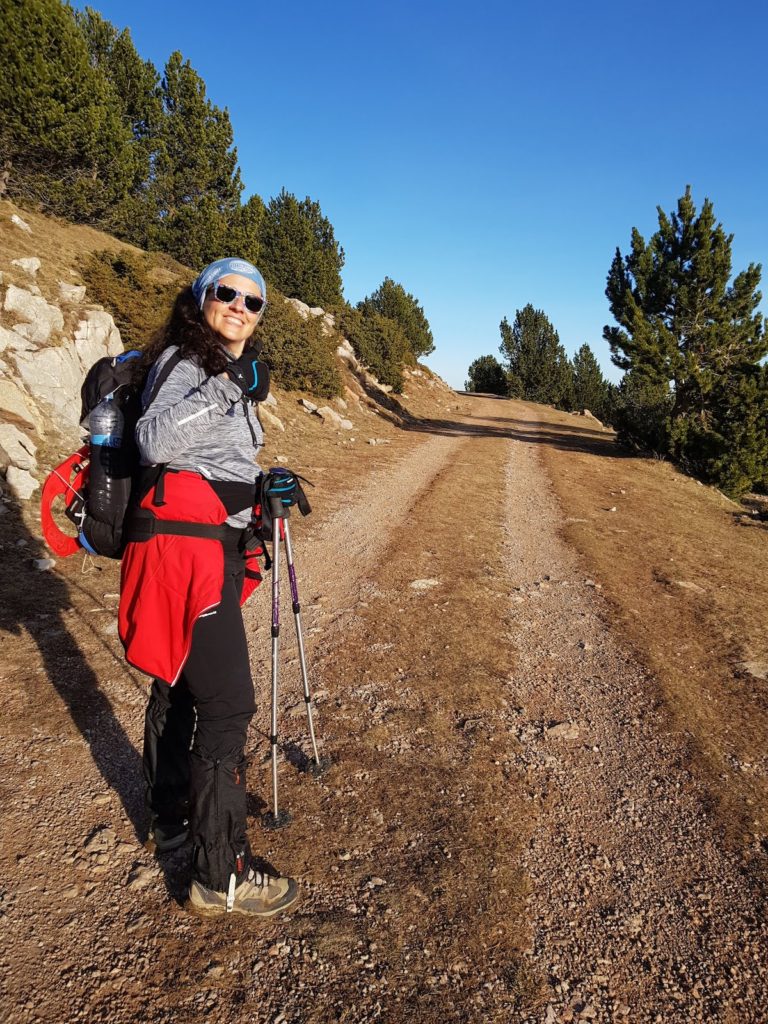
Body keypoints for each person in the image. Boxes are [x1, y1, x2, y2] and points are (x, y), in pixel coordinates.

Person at [117, 257, 298, 918]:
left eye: (253, 302)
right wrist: (228, 384)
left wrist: (265, 488)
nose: (239, 308)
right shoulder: (189, 365)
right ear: (203, 299)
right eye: (227, 294)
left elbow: (218, 464)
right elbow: (156, 438)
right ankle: (220, 874)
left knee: (185, 684)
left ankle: (170, 819)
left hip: (199, 543)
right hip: (181, 550)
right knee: (226, 703)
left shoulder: (219, 372)